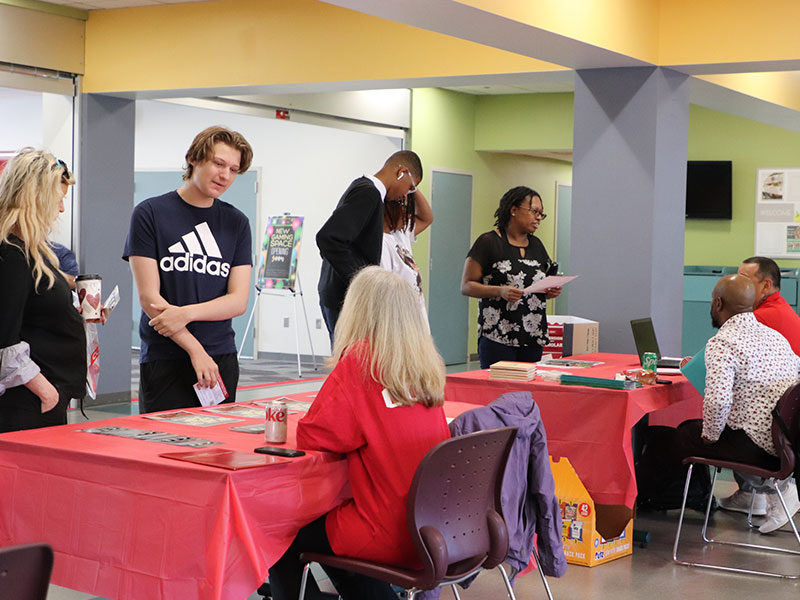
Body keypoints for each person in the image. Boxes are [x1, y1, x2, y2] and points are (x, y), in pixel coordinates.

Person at [267, 266, 450, 600]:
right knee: (332, 531)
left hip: (387, 531)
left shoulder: (362, 361)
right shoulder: (426, 368)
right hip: (434, 527)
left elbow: (315, 435)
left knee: (281, 534)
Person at [642, 275, 800, 533]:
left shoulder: (723, 343)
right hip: (782, 441)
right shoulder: (776, 338)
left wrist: (710, 438)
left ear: (717, 303)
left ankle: (640, 506)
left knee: (668, 438)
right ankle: (694, 498)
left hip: (754, 446)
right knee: (685, 431)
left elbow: (717, 402)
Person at [123, 126, 253, 413]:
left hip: (220, 356)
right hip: (165, 356)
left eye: (233, 169)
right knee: (159, 448)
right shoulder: (149, 214)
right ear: (194, 159)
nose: (225, 176)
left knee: (216, 450)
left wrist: (187, 313)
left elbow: (238, 300)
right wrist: (195, 350)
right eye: (218, 164)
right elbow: (150, 299)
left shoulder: (237, 223)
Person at [0, 149, 86, 432]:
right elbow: (4, 338)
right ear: (36, 198)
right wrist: (45, 391)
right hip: (26, 401)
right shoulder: (12, 254)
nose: (61, 210)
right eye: (59, 200)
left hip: (42, 395)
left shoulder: (35, 252)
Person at [716, 256, 800, 516]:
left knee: (727, 418)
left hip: (770, 425)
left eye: (745, 279)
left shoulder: (758, 320)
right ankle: (753, 495)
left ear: (765, 286)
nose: (738, 284)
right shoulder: (783, 310)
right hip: (788, 421)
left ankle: (764, 491)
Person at [316, 150, 422, 342]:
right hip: (346, 297)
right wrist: (365, 278)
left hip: (341, 294)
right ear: (402, 172)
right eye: (411, 187)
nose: (405, 195)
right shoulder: (368, 192)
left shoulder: (367, 190)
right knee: (352, 363)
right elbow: (328, 238)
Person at [460, 186, 561, 369]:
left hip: (533, 336)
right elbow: (466, 286)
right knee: (499, 393)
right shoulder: (489, 242)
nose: (538, 217)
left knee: (527, 393)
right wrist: (500, 291)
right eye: (534, 211)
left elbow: (535, 286)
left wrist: (549, 291)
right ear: (513, 210)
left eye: (541, 214)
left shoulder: (537, 245)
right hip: (498, 337)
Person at [379, 186, 433, 327]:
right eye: (404, 207)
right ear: (389, 208)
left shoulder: (401, 234)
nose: (409, 215)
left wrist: (411, 185)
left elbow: (427, 217)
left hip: (417, 322)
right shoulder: (381, 243)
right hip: (400, 325)